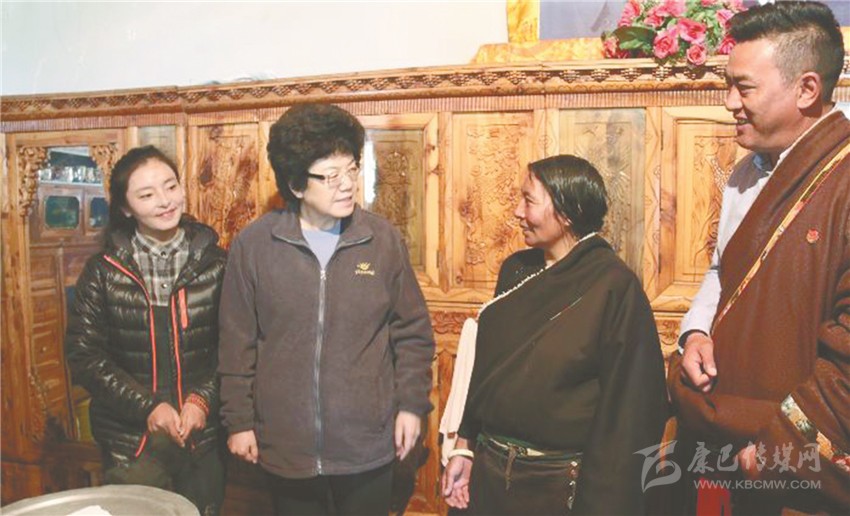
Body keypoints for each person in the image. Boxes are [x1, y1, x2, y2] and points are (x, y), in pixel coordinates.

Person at [670, 1, 850, 512]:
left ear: (807, 89)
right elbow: (722, 271)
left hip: (785, 459)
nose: (729, 102)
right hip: (725, 433)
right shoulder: (745, 173)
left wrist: (778, 447)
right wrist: (696, 332)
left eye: (744, 87)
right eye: (728, 85)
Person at [218, 104, 435, 516]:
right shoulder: (255, 245)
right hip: (287, 443)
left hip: (367, 443)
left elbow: (412, 333)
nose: (347, 184)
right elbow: (236, 342)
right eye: (331, 175)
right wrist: (239, 421)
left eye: (351, 169)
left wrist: (411, 405)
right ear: (297, 185)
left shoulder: (382, 239)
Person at [441, 154, 668, 515]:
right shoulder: (517, 270)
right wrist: (464, 448)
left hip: (560, 485)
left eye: (529, 201)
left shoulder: (613, 286)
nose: (517, 211)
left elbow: (631, 409)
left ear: (568, 212)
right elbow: (486, 372)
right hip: (490, 474)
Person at [65, 145, 227, 515]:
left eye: (171, 186)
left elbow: (236, 348)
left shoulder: (217, 264)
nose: (165, 201)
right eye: (147, 194)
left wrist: (202, 399)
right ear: (125, 207)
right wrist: (149, 406)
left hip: (201, 437)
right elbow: (85, 357)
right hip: (131, 441)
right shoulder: (103, 272)